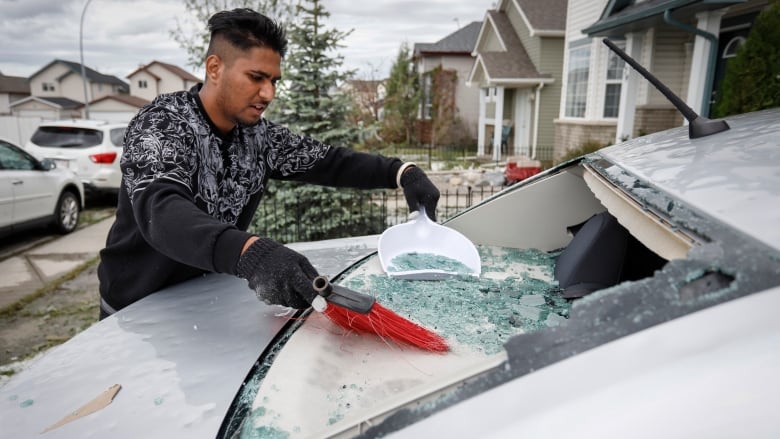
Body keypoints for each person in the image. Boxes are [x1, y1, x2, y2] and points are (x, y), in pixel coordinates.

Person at [97, 8, 439, 319]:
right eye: (256, 77)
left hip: (201, 303)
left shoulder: (259, 137)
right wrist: (250, 252)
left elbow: (329, 162)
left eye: (273, 81)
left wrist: (402, 172)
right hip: (135, 309)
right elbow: (162, 211)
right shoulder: (162, 124)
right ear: (215, 68)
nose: (268, 94)